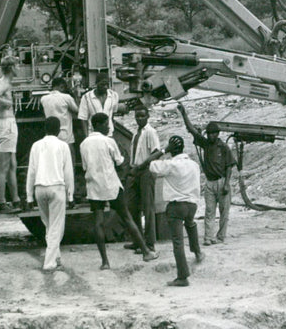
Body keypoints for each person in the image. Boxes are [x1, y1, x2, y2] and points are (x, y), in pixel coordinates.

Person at [80, 113, 159, 269]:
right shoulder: (109, 141)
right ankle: (146, 252)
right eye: (106, 124)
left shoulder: (84, 144)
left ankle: (105, 262)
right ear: (100, 125)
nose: (109, 127)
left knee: (98, 223)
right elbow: (120, 162)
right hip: (111, 185)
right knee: (127, 217)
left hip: (94, 187)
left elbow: (84, 167)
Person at [149, 135, 204, 287]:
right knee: (190, 224)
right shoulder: (194, 165)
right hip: (192, 205)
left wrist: (162, 150)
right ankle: (197, 251)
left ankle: (182, 276)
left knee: (178, 242)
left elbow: (151, 164)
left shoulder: (171, 164)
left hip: (176, 206)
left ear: (171, 150)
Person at [178, 104, 236, 245]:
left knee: (224, 213)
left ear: (217, 134)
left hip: (222, 182)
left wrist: (227, 184)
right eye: (209, 133)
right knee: (209, 212)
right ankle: (208, 238)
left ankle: (221, 237)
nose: (210, 136)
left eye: (213, 133)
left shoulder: (224, 147)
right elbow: (192, 130)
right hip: (210, 183)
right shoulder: (206, 144)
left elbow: (229, 166)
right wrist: (184, 114)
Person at [26, 116, 74, 272]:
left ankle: (57, 256)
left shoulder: (35, 146)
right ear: (59, 130)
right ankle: (49, 262)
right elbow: (68, 172)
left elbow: (31, 171)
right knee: (56, 227)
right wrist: (71, 194)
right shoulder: (63, 146)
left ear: (44, 129)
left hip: (39, 187)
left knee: (48, 225)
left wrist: (29, 196)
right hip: (56, 187)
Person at [0, 55, 23, 214]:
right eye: (17, 65)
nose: (19, 68)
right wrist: (7, 103)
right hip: (5, 125)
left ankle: (15, 200)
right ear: (12, 68)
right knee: (5, 166)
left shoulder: (0, 81)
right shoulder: (5, 84)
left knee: (12, 164)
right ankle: (1, 202)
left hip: (0, 123)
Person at [124, 105, 163, 254]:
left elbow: (156, 152)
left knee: (148, 208)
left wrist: (141, 166)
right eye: (137, 116)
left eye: (142, 116)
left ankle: (150, 243)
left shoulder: (150, 132)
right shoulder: (136, 134)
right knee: (132, 207)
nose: (139, 118)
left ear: (147, 117)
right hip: (135, 172)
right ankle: (137, 240)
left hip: (146, 171)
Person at [40, 77, 79, 161]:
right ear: (61, 86)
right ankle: (72, 172)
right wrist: (76, 95)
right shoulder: (66, 97)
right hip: (65, 132)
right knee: (69, 154)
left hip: (51, 132)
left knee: (53, 157)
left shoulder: (43, 99)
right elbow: (77, 110)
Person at [78, 72, 119, 137]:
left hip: (109, 134)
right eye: (102, 84)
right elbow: (83, 119)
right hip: (93, 134)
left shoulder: (114, 95)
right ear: (96, 84)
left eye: (107, 84)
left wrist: (111, 128)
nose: (105, 87)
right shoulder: (86, 97)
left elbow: (113, 114)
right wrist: (86, 136)